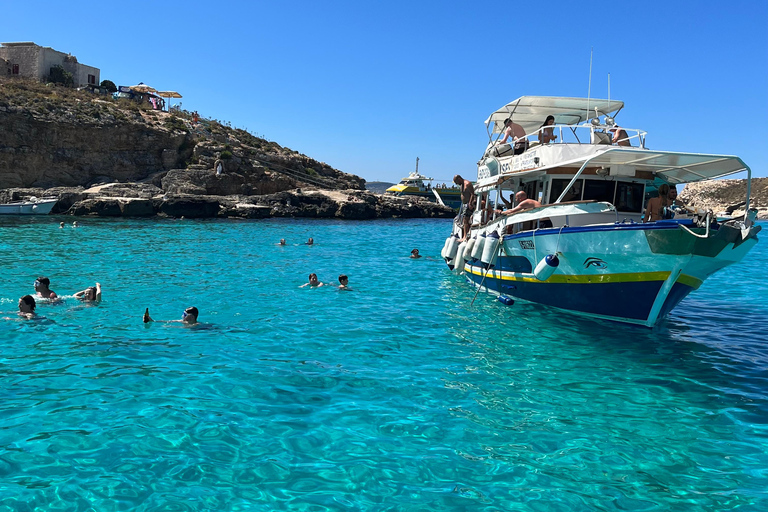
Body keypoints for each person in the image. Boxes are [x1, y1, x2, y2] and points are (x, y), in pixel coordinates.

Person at [453, 174, 476, 241]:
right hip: (464, 204)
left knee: (466, 220)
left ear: (459, 179)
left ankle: (465, 237)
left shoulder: (467, 184)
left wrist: (470, 203)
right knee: (463, 220)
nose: (456, 184)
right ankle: (464, 235)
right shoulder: (461, 185)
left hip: (468, 204)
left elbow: (472, 194)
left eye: (456, 182)